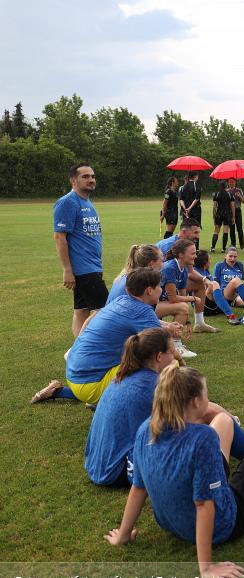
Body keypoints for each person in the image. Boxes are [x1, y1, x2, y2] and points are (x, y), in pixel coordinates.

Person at [104, 364, 244, 578]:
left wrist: (124, 534)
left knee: (223, 420)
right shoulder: (203, 439)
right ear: (195, 401)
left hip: (171, 523)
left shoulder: (147, 429)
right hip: (225, 524)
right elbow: (204, 505)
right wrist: (206, 567)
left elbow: (139, 487)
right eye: (205, 392)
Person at [31, 268, 183, 406]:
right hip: (91, 384)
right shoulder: (142, 311)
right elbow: (167, 349)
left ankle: (58, 391)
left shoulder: (121, 301)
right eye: (159, 286)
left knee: (135, 358)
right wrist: (182, 365)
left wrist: (167, 327)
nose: (161, 289)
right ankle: (171, 403)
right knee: (168, 363)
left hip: (75, 375)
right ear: (149, 290)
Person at [84, 329, 182, 486]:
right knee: (216, 423)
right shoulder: (155, 384)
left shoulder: (123, 377)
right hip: (118, 470)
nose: (176, 356)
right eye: (172, 352)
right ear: (159, 356)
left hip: (97, 465)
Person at [53, 163, 107, 337]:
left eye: (92, 176)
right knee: (106, 311)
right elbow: (59, 237)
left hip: (93, 266)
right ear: (73, 180)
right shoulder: (67, 202)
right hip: (84, 268)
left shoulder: (87, 202)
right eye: (85, 177)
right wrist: (67, 270)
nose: (91, 180)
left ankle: (77, 350)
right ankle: (88, 350)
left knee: (81, 311)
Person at [157, 239, 216, 345]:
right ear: (181, 255)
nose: (196, 256)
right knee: (182, 307)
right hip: (147, 307)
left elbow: (182, 298)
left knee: (183, 306)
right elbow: (173, 298)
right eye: (193, 253)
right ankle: (175, 345)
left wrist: (187, 322)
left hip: (158, 304)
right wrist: (193, 298)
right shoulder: (170, 268)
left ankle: (198, 324)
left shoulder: (183, 269)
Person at [193, 250, 244, 324]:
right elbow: (199, 293)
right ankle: (231, 316)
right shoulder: (195, 272)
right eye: (209, 259)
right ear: (204, 262)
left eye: (235, 256)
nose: (210, 261)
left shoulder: (205, 270)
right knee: (214, 283)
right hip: (204, 307)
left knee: (236, 280)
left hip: (217, 303)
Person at [210, 181, 234, 253]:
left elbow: (214, 207)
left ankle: (213, 248)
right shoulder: (230, 194)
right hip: (227, 214)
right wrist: (233, 216)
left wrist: (214, 216)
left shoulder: (216, 194)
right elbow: (232, 206)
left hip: (219, 213)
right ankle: (223, 248)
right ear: (226, 186)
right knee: (225, 230)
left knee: (216, 231)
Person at [227, 178, 244, 249]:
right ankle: (233, 244)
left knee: (239, 228)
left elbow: (243, 201)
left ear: (235, 182)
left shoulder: (239, 190)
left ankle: (241, 244)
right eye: (230, 182)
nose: (231, 183)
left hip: (237, 210)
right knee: (232, 229)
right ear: (228, 183)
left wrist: (239, 196)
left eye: (233, 182)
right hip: (230, 211)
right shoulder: (227, 191)